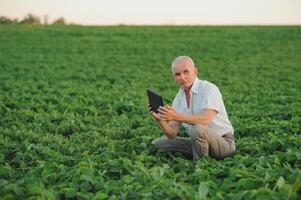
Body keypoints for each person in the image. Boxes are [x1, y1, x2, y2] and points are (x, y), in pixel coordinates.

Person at [148, 56, 235, 161]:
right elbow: (171, 133)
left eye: (186, 72)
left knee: (197, 129)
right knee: (158, 143)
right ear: (173, 77)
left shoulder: (209, 89)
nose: (182, 77)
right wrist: (160, 119)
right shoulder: (178, 99)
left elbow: (205, 120)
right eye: (177, 74)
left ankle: (200, 166)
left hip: (224, 144)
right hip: (199, 142)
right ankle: (201, 153)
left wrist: (176, 116)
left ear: (195, 71)